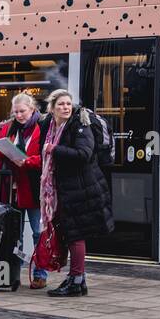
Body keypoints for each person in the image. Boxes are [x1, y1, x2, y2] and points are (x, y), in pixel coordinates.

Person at [34, 88, 114, 297]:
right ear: (52, 108)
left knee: (75, 234)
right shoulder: (48, 126)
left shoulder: (80, 125)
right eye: (61, 104)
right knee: (70, 233)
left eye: (68, 104)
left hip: (81, 188)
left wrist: (54, 149)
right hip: (64, 189)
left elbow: (84, 154)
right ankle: (77, 278)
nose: (65, 108)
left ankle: (77, 280)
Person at [0, 93, 47, 288]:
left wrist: (27, 161)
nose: (19, 115)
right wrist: (5, 149)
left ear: (32, 109)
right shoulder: (6, 127)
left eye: (23, 111)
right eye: (16, 111)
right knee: (14, 233)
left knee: (38, 232)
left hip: (34, 186)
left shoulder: (43, 127)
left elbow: (46, 157)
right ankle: (14, 272)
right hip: (11, 188)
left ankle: (40, 273)